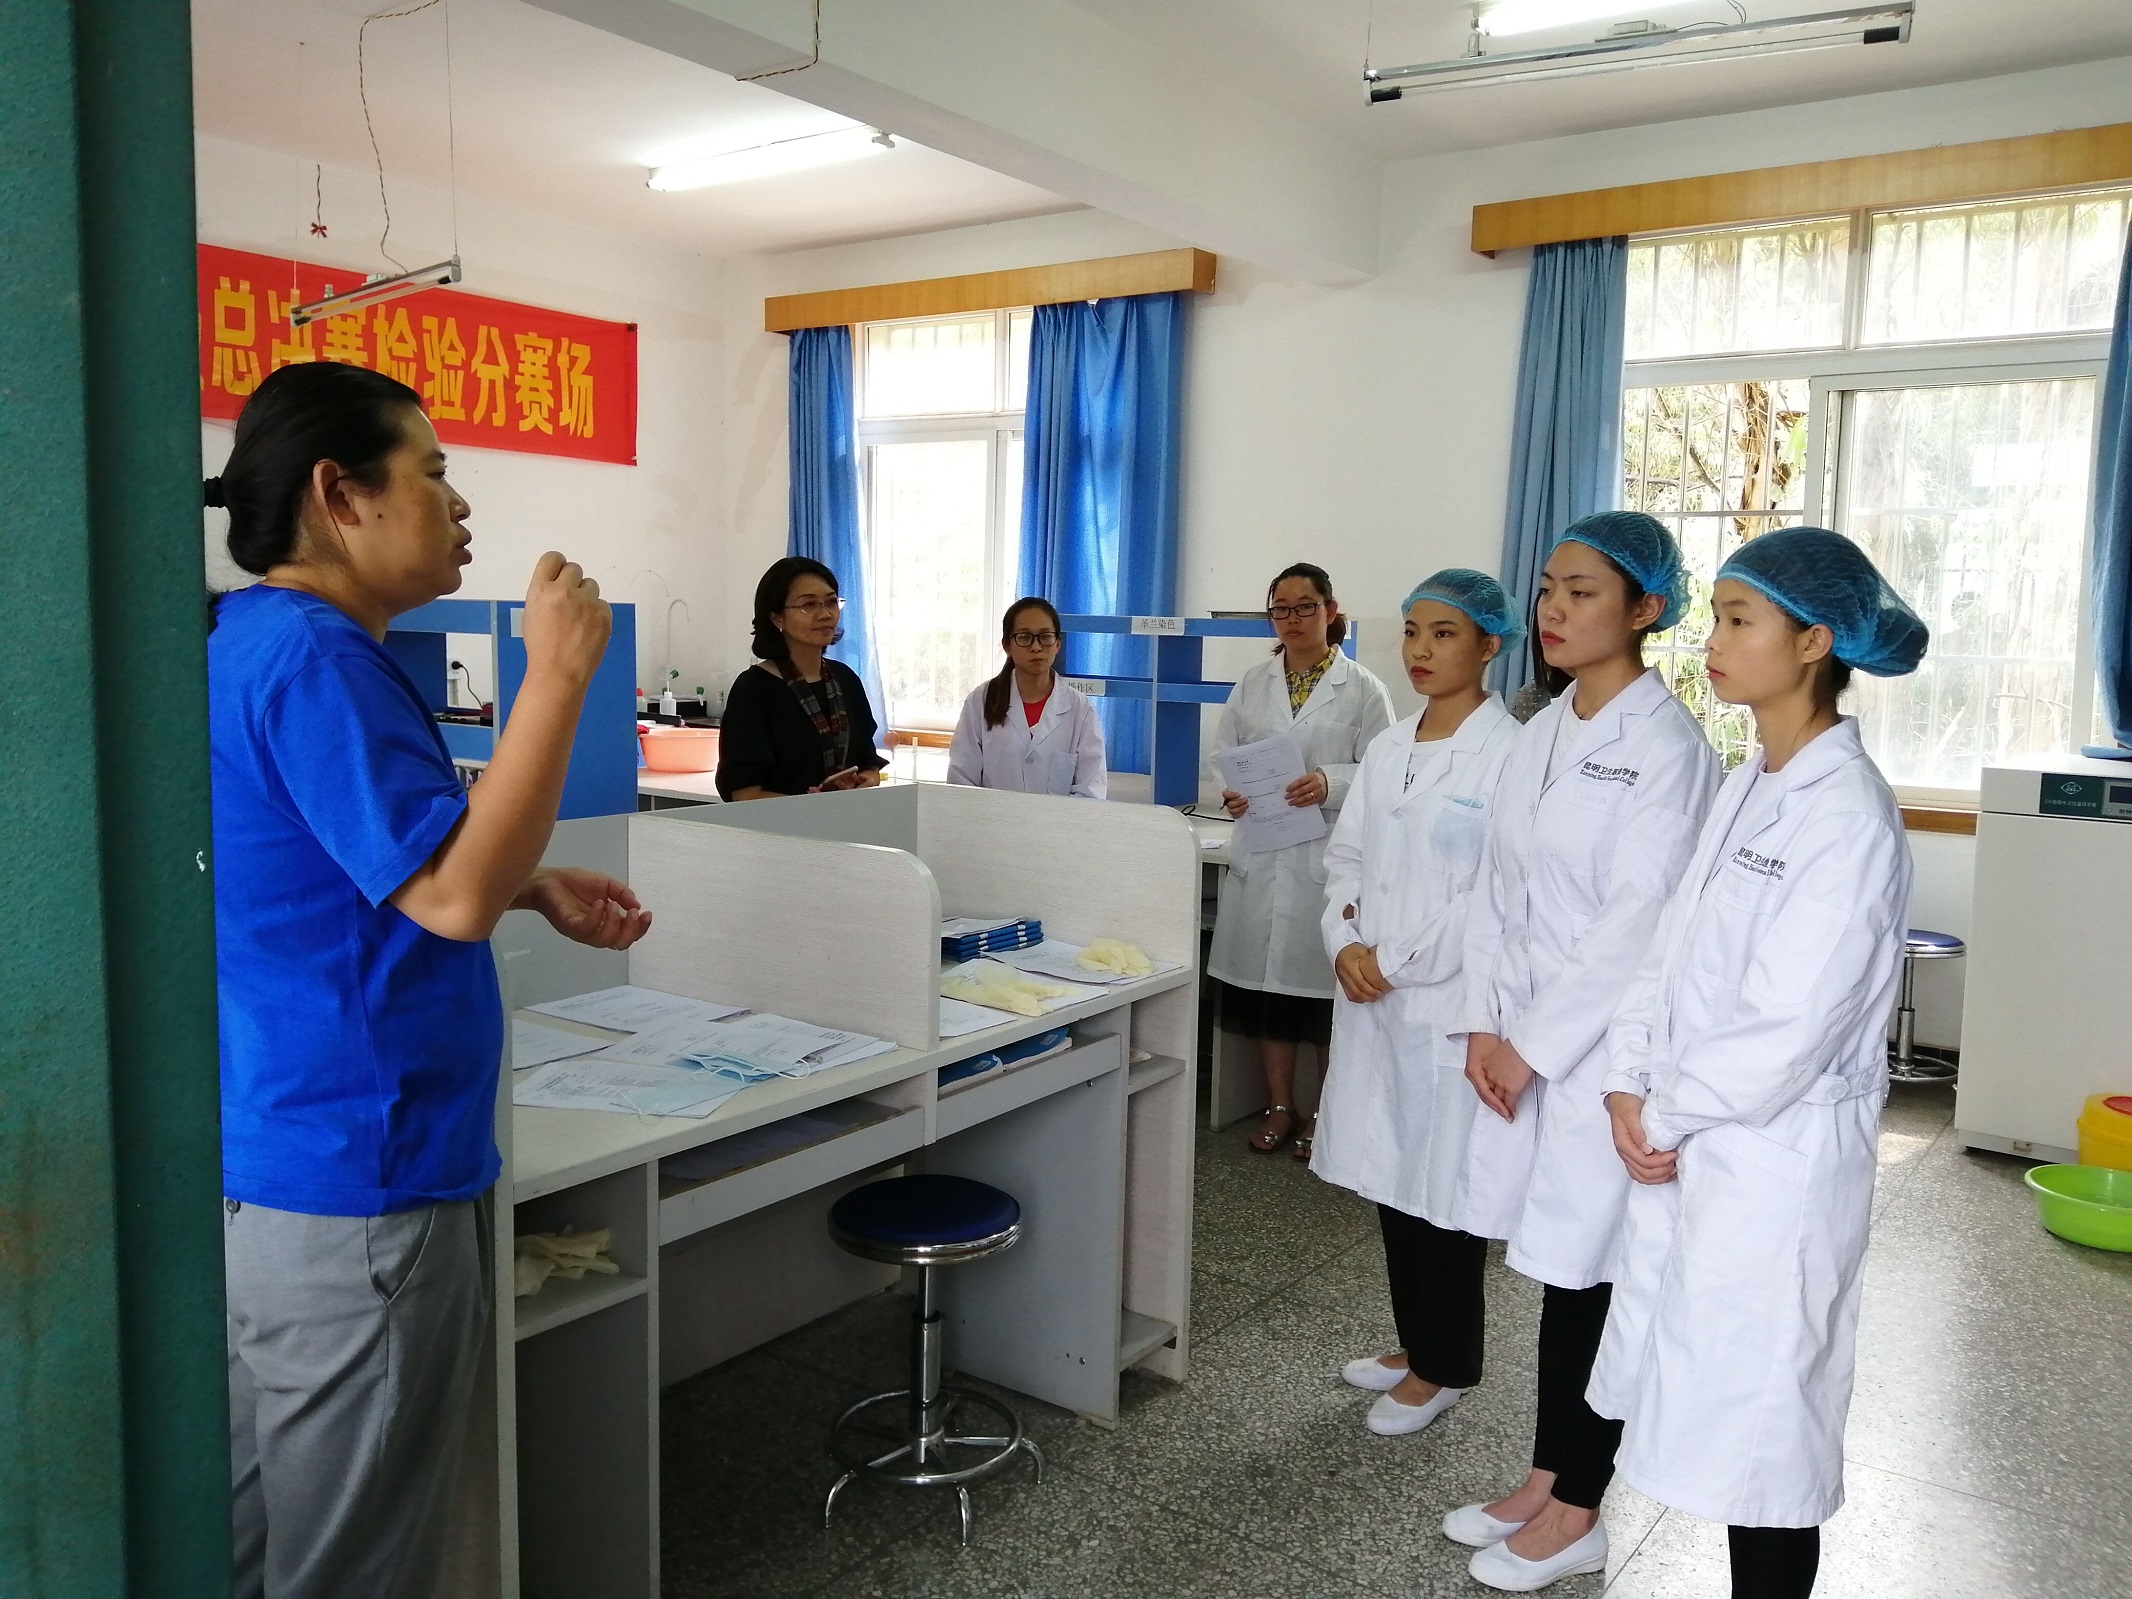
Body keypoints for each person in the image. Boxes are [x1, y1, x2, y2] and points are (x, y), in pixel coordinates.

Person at [209, 362, 652, 1599]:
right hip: (364, 1177)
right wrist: (554, 675)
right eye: (434, 473)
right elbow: (448, 899)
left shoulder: (253, 641)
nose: (460, 506)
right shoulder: (319, 661)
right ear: (338, 494)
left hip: (284, 1159)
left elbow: (342, 877)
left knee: (250, 1544)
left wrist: (527, 880)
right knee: (353, 1569)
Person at [1588, 529, 1928, 1599]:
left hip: (1774, 1163)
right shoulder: (1749, 781)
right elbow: (1669, 948)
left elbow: (1788, 1026)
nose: (1713, 640)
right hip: (1697, 1140)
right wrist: (1626, 1078)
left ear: (1814, 641)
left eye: (1739, 620)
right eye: (1717, 617)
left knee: (1769, 1439)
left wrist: (1663, 1112)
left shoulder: (1849, 816)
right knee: (1707, 1400)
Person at [1445, 511, 1722, 1591]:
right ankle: (1543, 1477)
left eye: (1582, 592)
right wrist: (1483, 1021)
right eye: (1547, 589)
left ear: (1645, 609)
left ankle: (1580, 1510)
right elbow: (1493, 888)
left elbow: (1634, 924)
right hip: (1521, 1038)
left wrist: (1533, 1046)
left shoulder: (1667, 750)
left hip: (1604, 1058)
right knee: (1562, 1276)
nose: (1553, 611)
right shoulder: (1544, 727)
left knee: (1594, 1279)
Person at [1313, 571, 1523, 1438]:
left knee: (1443, 1188)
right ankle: (1418, 1342)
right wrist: (1343, 941)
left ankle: (1447, 1365)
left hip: (1443, 1004)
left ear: (1489, 644)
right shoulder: (1391, 746)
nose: (1421, 651)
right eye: (1411, 632)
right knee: (1392, 1175)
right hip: (1375, 996)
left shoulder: (1510, 755)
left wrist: (1390, 959)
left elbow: (1492, 894)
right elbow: (1346, 859)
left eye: (1444, 633)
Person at [1207, 563, 1395, 1159]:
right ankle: (1280, 1106)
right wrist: (1232, 794)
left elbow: (1383, 770)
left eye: (1304, 607)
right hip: (1264, 851)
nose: (1291, 619)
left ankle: (1323, 1115)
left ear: (1330, 611)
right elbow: (1225, 752)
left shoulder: (1363, 688)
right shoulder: (1253, 683)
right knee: (1271, 998)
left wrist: (1328, 782)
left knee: (1321, 999)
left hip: (1325, 857)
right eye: (1281, 609)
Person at [716, 556, 889, 800]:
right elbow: (745, 794)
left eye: (831, 602)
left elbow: (867, 762)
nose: (825, 614)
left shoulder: (846, 679)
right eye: (808, 604)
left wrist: (867, 780)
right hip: (778, 823)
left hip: (843, 818)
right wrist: (810, 807)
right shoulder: (754, 689)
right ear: (777, 617)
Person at [947, 596, 1107, 798]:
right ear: (1007, 645)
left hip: (1057, 819)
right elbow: (961, 782)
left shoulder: (1081, 710)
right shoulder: (980, 702)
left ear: (1058, 644)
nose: (1036, 647)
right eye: (1024, 637)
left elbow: (1091, 790)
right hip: (993, 817)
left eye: (1045, 636)